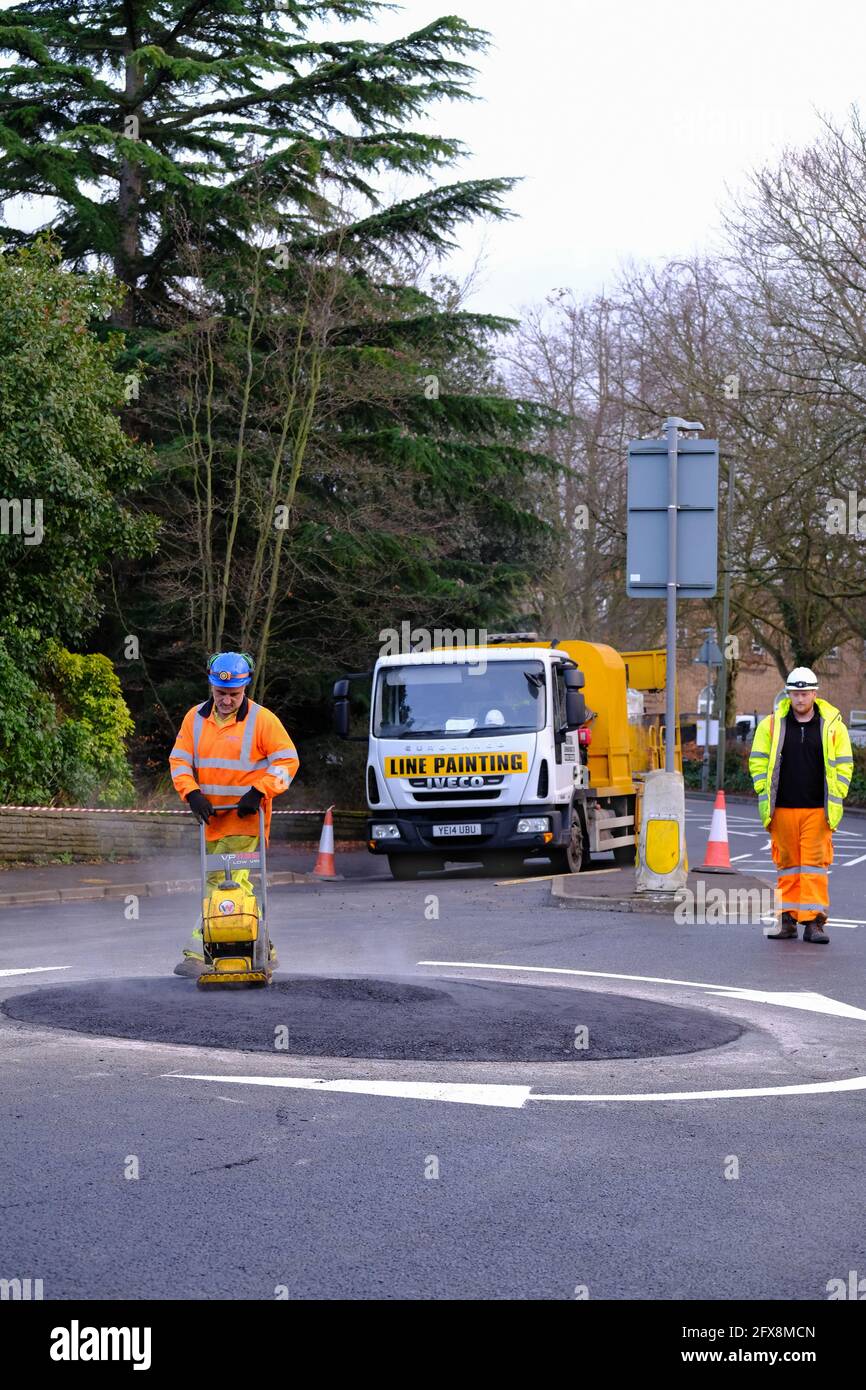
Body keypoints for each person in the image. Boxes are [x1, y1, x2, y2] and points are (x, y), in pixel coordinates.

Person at [168, 652, 299, 976]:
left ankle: (195, 952)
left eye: (234, 695)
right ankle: (263, 945)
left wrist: (259, 791)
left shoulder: (263, 720)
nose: (226, 700)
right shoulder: (194, 719)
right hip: (210, 822)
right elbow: (180, 761)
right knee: (230, 884)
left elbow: (287, 762)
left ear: (245, 690)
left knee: (224, 883)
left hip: (245, 822)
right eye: (220, 693)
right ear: (211, 687)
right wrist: (192, 793)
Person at [748, 667, 852, 944]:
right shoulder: (771, 725)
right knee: (788, 868)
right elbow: (757, 761)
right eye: (796, 693)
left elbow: (844, 763)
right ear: (789, 694)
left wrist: (838, 791)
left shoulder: (832, 726)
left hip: (818, 809)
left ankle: (814, 923)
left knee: (814, 868)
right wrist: (762, 788)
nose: (800, 699)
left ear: (815, 694)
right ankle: (787, 920)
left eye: (805, 693)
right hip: (782, 808)